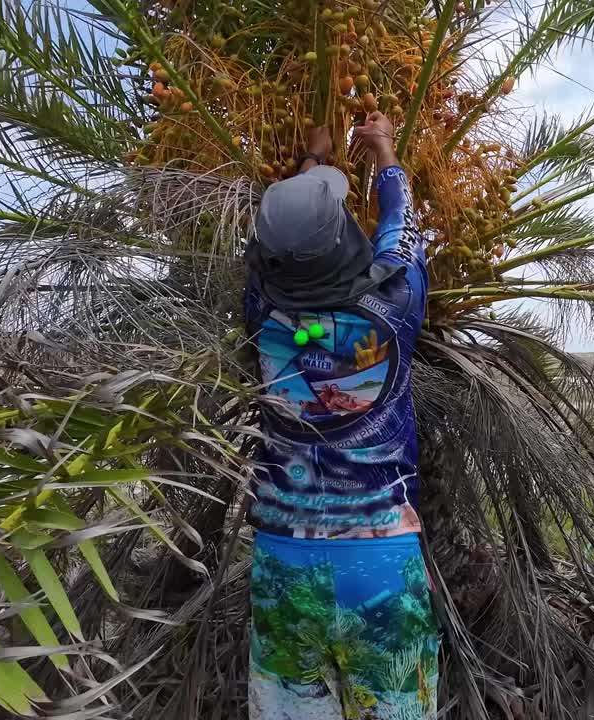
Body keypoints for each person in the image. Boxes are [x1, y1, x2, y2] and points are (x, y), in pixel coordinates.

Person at [243, 113, 436, 719]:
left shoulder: (261, 313)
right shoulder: (395, 305)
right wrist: (382, 149)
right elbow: (401, 228)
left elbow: (280, 254)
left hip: (282, 559)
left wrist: (308, 167)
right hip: (377, 560)